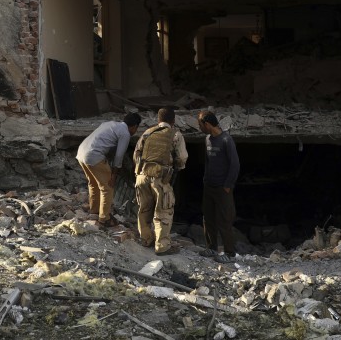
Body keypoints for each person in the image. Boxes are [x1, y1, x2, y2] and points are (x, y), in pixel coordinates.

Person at [133, 107, 187, 255]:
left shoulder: (147, 132)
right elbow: (182, 158)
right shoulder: (175, 134)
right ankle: (162, 246)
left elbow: (136, 153)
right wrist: (177, 166)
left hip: (141, 176)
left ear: (158, 120)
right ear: (173, 121)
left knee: (144, 209)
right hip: (159, 179)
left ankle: (146, 239)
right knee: (163, 210)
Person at [77, 112, 141, 227]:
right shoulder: (125, 133)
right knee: (108, 187)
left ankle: (95, 210)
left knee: (93, 184)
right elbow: (119, 156)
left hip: (81, 152)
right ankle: (104, 218)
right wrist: (114, 175)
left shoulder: (110, 123)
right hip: (94, 155)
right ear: (134, 126)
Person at [197, 110, 240, 262]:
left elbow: (235, 165)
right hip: (209, 187)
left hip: (223, 189)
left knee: (225, 220)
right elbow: (207, 161)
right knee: (208, 218)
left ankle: (229, 254)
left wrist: (228, 185)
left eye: (200, 124)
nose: (199, 127)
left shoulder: (226, 140)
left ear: (207, 124)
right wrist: (205, 179)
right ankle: (211, 248)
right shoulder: (207, 139)